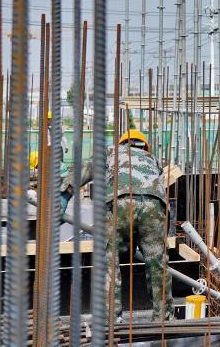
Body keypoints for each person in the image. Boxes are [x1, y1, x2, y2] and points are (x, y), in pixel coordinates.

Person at [61, 128, 172, 322]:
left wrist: (65, 193)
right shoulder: (152, 159)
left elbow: (85, 168)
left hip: (120, 201)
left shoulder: (111, 151)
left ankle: (111, 318)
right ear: (144, 146)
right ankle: (164, 318)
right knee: (158, 265)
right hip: (154, 205)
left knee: (109, 261)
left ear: (122, 143)